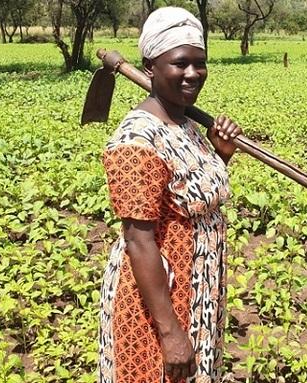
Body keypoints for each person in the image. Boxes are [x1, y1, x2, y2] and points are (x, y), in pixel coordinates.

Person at [98, 7, 242, 383]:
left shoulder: (185, 122)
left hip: (198, 293)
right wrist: (171, 333)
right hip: (160, 306)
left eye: (200, 63)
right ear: (151, 67)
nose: (193, 73)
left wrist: (221, 155)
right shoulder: (136, 140)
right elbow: (139, 240)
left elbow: (191, 198)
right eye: (180, 63)